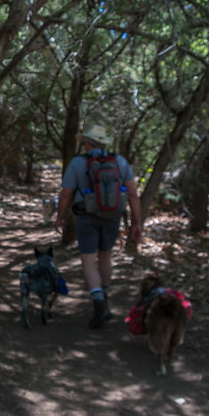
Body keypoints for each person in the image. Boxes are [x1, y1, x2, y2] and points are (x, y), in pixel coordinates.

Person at [55, 123, 143, 329]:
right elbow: (132, 194)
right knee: (105, 256)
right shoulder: (119, 161)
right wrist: (137, 223)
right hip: (112, 216)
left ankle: (99, 303)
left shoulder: (78, 163)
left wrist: (59, 216)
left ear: (87, 143)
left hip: (86, 216)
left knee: (88, 259)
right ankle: (104, 295)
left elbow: (66, 192)